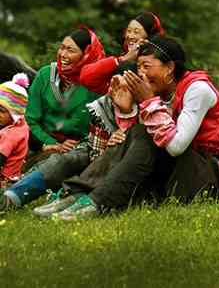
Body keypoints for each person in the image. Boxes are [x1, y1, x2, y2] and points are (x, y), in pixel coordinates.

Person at [48, 36, 219, 220]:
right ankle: (78, 194)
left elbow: (176, 147)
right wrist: (126, 113)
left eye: (146, 66)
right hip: (182, 171)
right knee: (138, 133)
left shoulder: (197, 89)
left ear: (169, 68)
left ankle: (98, 201)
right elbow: (144, 147)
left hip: (216, 175)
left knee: (145, 134)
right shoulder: (162, 92)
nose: (140, 72)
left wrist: (148, 102)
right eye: (138, 66)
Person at [1, 62, 138, 215]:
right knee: (62, 160)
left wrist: (125, 120)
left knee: (72, 156)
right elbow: (95, 151)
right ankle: (12, 197)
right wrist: (49, 143)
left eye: (123, 87)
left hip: (118, 166)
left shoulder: (143, 108)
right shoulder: (102, 106)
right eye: (113, 85)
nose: (115, 91)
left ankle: (74, 196)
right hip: (88, 151)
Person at [24, 28, 104, 165]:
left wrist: (76, 145)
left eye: (71, 50)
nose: (63, 54)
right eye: (62, 48)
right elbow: (30, 119)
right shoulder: (45, 75)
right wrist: (50, 143)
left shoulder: (97, 84)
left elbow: (102, 127)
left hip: (80, 152)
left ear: (86, 55)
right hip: (41, 146)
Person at [79, 11, 165, 95]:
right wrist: (121, 60)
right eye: (129, 31)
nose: (130, 36)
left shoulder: (157, 63)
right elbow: (85, 77)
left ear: (149, 37)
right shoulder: (121, 60)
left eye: (136, 32)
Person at [0, 74, 30, 187]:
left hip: (4, 180)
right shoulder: (21, 126)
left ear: (14, 114)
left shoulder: (11, 135)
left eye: (1, 111)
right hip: (12, 176)